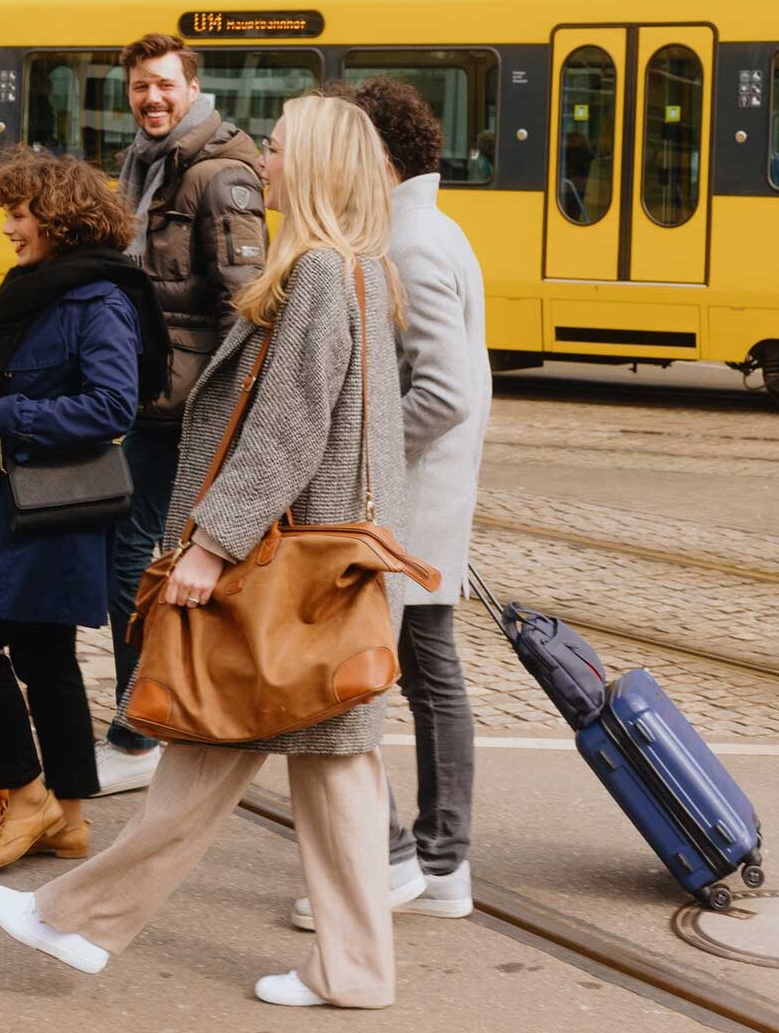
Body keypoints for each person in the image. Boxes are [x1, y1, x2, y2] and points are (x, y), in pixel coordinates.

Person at [0, 95, 410, 1010]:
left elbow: (288, 428)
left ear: (323, 164)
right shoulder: (362, 268)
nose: (268, 163)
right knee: (330, 775)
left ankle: (77, 920)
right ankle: (355, 969)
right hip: (326, 573)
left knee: (206, 748)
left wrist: (211, 546)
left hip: (282, 571)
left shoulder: (325, 274)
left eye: (284, 148)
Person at [0, 147, 171, 873]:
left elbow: (113, 404)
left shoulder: (97, 299)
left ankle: (25, 796)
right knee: (44, 654)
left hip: (51, 507)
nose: (9, 229)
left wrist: (15, 416)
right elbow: (14, 377)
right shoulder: (42, 288)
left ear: (54, 217)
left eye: (18, 214)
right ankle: (71, 818)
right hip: (20, 497)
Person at [290, 77, 488, 929]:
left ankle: (403, 859)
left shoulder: (407, 244)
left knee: (356, 681)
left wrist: (366, 450)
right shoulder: (431, 231)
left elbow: (446, 390)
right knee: (427, 677)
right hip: (423, 502)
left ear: (372, 155)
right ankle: (436, 861)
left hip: (403, 505)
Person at [98, 32, 268, 796]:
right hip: (148, 393)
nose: (152, 98)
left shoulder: (220, 175)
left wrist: (230, 419)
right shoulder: (147, 163)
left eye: (164, 84)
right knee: (137, 552)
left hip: (184, 405)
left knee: (133, 554)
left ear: (191, 87)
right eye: (140, 87)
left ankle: (141, 728)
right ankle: (157, 716)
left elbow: (249, 303)